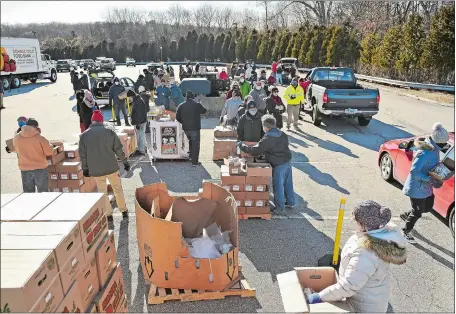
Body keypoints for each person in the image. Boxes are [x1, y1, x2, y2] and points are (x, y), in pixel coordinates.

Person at [307, 201, 406, 313]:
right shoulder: (377, 234)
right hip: (369, 298)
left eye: (355, 218)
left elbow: (348, 286)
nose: (351, 220)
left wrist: (319, 297)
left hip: (365, 307)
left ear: (364, 224)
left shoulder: (366, 252)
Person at [400, 123, 450, 242]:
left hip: (425, 187)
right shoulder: (424, 152)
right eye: (443, 143)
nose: (445, 145)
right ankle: (405, 231)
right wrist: (430, 179)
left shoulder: (434, 148)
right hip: (416, 187)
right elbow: (414, 172)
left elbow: (431, 164)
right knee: (418, 212)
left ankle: (407, 215)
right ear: (438, 141)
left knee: (427, 206)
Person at [79, 110, 130, 221]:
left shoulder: (84, 136)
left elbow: (82, 155)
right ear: (102, 121)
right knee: (117, 189)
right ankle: (124, 210)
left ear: (92, 121)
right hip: (111, 167)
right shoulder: (109, 132)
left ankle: (108, 214)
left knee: (102, 191)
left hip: (96, 169)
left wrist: (85, 169)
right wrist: (125, 162)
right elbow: (118, 150)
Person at [238, 114, 294, 212]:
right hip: (287, 161)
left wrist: (242, 146)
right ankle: (291, 202)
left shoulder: (268, 138)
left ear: (266, 127)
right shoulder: (282, 134)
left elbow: (256, 150)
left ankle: (280, 208)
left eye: (263, 126)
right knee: (288, 182)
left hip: (278, 164)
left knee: (278, 186)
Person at [13, 118, 54, 193]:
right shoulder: (40, 138)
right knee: (43, 194)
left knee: (28, 195)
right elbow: (49, 152)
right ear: (36, 127)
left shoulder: (16, 137)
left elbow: (15, 149)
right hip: (40, 169)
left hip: (24, 169)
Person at [176, 91, 207, 167]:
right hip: (195, 128)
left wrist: (183, 122)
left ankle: (190, 157)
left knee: (191, 142)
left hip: (186, 128)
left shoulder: (181, 106)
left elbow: (177, 117)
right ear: (193, 97)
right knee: (195, 144)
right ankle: (194, 162)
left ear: (186, 97)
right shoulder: (196, 105)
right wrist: (199, 103)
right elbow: (204, 111)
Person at [131, 86, 150, 156]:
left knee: (140, 136)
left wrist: (138, 123)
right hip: (143, 120)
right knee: (142, 135)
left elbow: (138, 113)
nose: (129, 99)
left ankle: (141, 150)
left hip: (140, 121)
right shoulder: (139, 99)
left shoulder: (137, 101)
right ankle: (144, 148)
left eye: (129, 97)